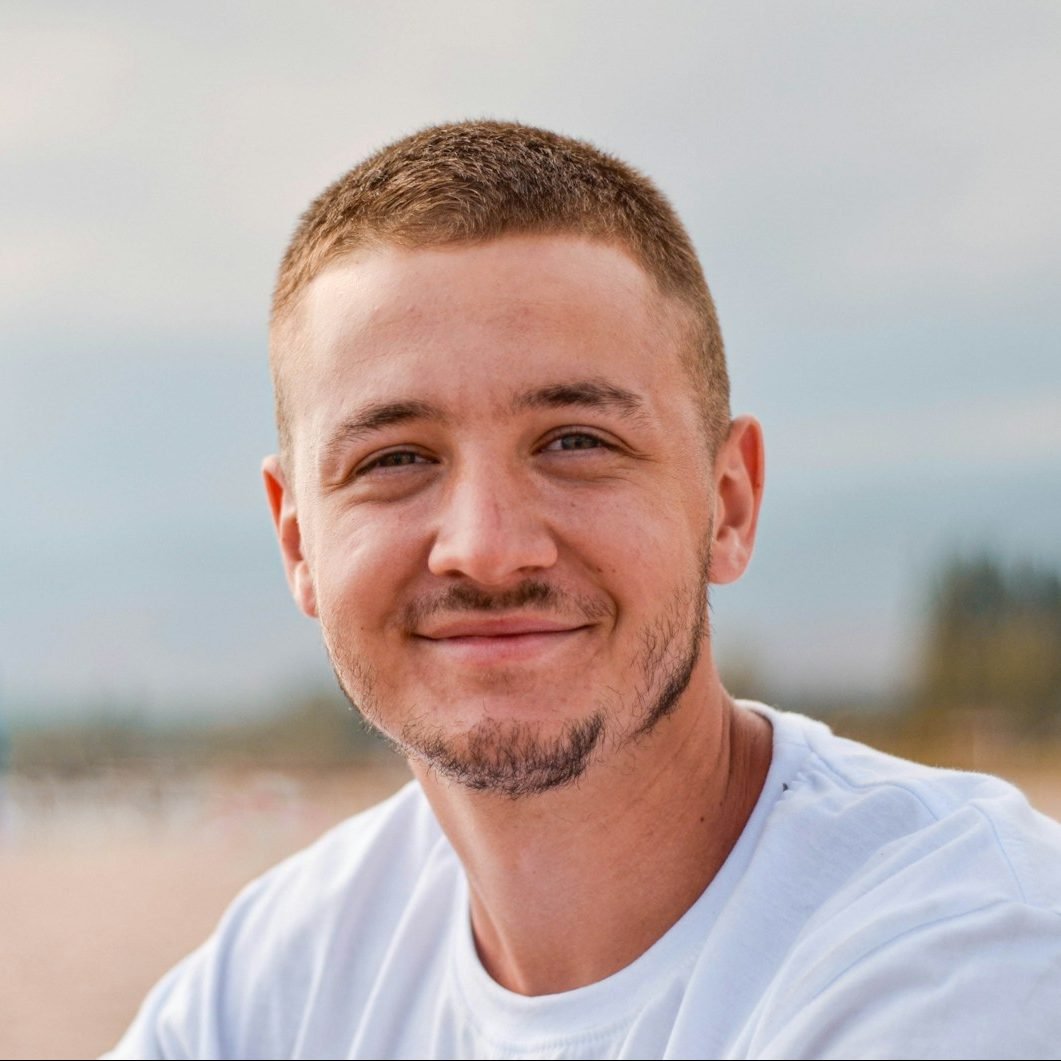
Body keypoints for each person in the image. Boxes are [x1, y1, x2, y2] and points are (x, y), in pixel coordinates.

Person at [105, 121, 1061, 1060]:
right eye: (396, 458)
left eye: (575, 441)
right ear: (297, 540)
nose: (485, 550)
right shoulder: (280, 978)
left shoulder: (965, 956)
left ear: (726, 504)